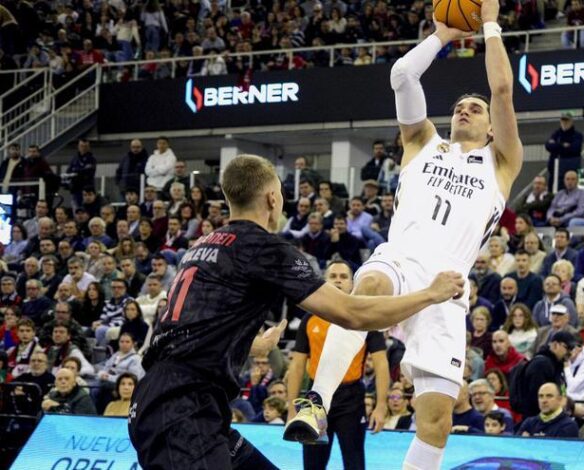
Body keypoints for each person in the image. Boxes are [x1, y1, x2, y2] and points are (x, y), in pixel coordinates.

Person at [287, 12, 523, 468]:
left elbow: (502, 91)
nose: (464, 110)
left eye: (474, 109)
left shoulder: (502, 162)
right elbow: (402, 75)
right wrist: (442, 35)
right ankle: (317, 402)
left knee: (435, 421)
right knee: (365, 289)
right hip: (400, 261)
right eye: (459, 106)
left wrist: (491, 23)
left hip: (447, 289)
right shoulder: (422, 142)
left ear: (492, 128)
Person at [128, 155, 465, 469]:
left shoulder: (202, 245)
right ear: (273, 199)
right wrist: (430, 294)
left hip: (175, 401)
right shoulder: (264, 248)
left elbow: (182, 329)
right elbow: (352, 313)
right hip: (181, 410)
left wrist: (251, 347)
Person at [285, 260, 390, 470]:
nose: (338, 281)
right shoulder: (310, 319)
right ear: (324, 281)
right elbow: (297, 366)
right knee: (312, 465)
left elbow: (381, 364)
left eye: (343, 277)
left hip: (351, 399)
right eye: (333, 277)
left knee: (354, 463)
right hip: (316, 399)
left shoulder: (365, 317)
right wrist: (291, 408)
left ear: (352, 283)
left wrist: (380, 406)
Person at [516, 331, 574, 418]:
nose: (570, 353)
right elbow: (535, 398)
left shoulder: (556, 364)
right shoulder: (541, 365)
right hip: (538, 420)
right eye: (567, 348)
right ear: (555, 345)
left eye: (572, 349)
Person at [545, 112, 583, 191]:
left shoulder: (577, 135)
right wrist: (562, 145)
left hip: (570, 171)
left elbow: (575, 149)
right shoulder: (556, 134)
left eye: (567, 120)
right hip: (554, 171)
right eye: (563, 120)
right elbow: (548, 146)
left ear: (571, 121)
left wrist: (556, 146)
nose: (565, 123)